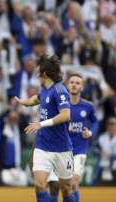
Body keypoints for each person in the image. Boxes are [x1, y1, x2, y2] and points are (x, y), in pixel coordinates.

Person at [15, 54, 75, 202]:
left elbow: (66, 115)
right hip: (43, 146)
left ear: (45, 74)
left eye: (38, 73)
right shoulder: (45, 90)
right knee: (39, 185)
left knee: (66, 189)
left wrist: (41, 124)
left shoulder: (59, 90)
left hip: (62, 147)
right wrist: (23, 102)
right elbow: (35, 99)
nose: (36, 75)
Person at [47, 73, 98, 202]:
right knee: (57, 186)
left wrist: (90, 133)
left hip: (79, 151)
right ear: (67, 85)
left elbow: (95, 122)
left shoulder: (88, 106)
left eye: (78, 83)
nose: (74, 85)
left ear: (82, 87)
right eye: (72, 82)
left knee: (72, 182)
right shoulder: (60, 106)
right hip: (61, 150)